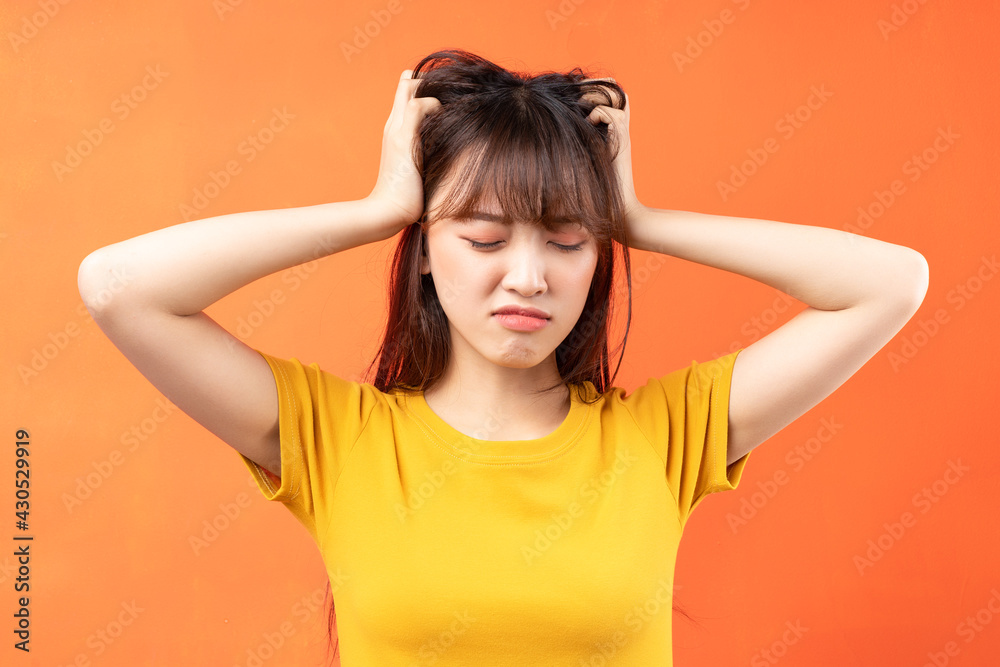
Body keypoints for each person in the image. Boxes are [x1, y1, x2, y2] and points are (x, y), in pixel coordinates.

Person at [77, 48, 928, 666]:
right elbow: (118, 286)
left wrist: (639, 219)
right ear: (423, 250)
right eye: (482, 235)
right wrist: (378, 210)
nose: (527, 276)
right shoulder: (338, 438)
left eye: (566, 241)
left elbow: (892, 282)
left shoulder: (666, 435)